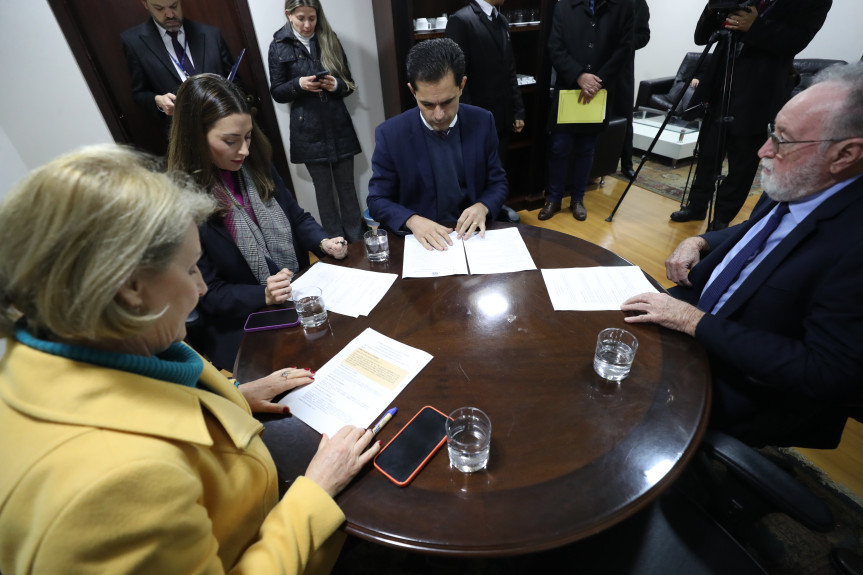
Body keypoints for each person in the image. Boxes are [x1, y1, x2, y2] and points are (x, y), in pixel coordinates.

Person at [0, 144, 381, 573]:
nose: (201, 287)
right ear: (130, 289)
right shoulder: (111, 487)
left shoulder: (88, 346)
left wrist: (234, 393)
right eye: (189, 270)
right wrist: (316, 490)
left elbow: (162, 386)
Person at [621, 63, 863, 448]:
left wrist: (692, 321)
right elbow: (767, 231)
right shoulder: (797, 177)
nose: (763, 151)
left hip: (746, 385)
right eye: (772, 131)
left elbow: (825, 372)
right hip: (700, 311)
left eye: (782, 140)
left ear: (845, 154)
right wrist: (702, 241)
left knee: (614, 405)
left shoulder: (854, 245)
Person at [168, 74, 348, 371]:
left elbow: (295, 216)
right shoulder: (182, 199)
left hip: (294, 296)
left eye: (248, 136)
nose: (244, 150)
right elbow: (209, 293)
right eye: (230, 141)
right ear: (195, 137)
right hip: (244, 323)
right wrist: (262, 293)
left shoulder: (254, 163)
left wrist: (322, 241)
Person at [669, 0, 832, 229]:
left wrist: (755, 26)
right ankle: (696, 207)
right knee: (707, 153)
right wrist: (712, 7)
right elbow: (701, 36)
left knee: (742, 163)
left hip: (760, 90)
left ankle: (721, 220)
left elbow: (796, 40)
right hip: (721, 82)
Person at [366, 38, 508, 251]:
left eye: (447, 102)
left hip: (472, 237)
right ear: (413, 92)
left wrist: (483, 206)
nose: (439, 115)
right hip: (423, 243)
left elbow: (498, 182)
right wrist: (413, 220)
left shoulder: (482, 121)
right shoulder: (391, 134)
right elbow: (377, 200)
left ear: (461, 86)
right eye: (428, 104)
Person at [268, 0, 365, 243]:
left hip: (338, 124)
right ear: (288, 15)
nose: (308, 24)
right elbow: (277, 92)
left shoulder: (329, 38)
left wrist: (336, 85)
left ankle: (357, 240)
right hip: (307, 130)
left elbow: (349, 84)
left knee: (347, 188)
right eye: (301, 18)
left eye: (312, 18)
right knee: (324, 192)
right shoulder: (278, 45)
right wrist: (299, 85)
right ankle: (336, 243)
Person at [540, 0, 634, 222]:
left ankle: (578, 199)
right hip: (569, 89)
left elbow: (625, 48)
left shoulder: (623, 6)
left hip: (600, 91)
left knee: (587, 147)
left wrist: (598, 81)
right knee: (559, 146)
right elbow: (555, 46)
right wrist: (579, 75)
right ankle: (553, 199)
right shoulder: (564, 5)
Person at [445, 0, 524, 224]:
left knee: (497, 170)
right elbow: (457, 76)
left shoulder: (501, 20)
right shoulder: (461, 20)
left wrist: (517, 110)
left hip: (502, 114)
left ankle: (493, 211)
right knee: (474, 172)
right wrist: (466, 116)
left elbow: (510, 70)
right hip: (473, 116)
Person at [121, 0, 237, 123]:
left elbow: (236, 82)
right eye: (159, 9)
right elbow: (139, 94)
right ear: (145, 4)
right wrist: (157, 101)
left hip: (224, 120)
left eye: (174, 6)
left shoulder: (211, 35)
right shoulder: (133, 42)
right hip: (181, 129)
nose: (170, 14)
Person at [615, 0, 650, 180]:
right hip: (595, 68)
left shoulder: (639, 3)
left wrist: (625, 44)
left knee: (626, 120)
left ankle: (626, 164)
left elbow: (644, 35)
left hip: (623, 71)